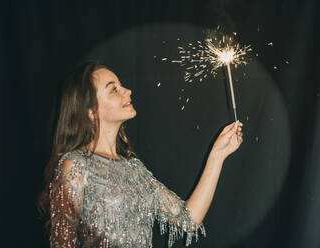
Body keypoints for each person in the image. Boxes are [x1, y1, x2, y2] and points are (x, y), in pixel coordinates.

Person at [39, 61, 243, 248]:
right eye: (114, 89)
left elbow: (188, 220)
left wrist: (217, 155)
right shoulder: (75, 165)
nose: (127, 91)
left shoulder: (134, 169)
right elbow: (62, 243)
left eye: (121, 85)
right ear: (91, 111)